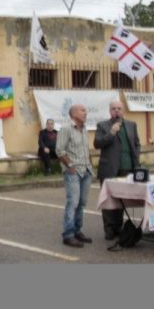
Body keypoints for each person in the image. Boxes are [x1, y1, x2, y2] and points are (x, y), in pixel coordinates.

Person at [94, 100, 141, 240]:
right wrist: (111, 133)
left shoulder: (131, 125)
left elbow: (137, 144)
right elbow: (98, 144)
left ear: (123, 110)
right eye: (113, 108)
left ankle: (118, 228)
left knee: (121, 200)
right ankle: (109, 230)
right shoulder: (103, 125)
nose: (116, 111)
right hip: (109, 169)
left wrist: (136, 157)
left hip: (128, 168)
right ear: (110, 111)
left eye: (119, 108)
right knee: (108, 200)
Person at [55, 104, 94, 248]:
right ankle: (68, 235)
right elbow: (59, 150)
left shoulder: (84, 129)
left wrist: (90, 166)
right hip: (73, 172)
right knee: (73, 202)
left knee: (82, 203)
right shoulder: (66, 129)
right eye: (82, 110)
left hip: (86, 171)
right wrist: (70, 166)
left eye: (86, 110)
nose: (86, 113)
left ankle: (78, 231)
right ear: (73, 114)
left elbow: (86, 150)